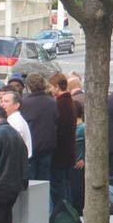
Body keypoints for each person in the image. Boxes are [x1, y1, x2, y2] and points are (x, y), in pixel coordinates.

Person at [21, 73, 58, 181]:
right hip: (47, 145)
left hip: (31, 146)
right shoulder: (52, 102)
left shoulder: (25, 103)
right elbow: (56, 121)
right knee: (44, 179)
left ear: (28, 86)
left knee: (31, 179)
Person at [48, 72, 76, 210]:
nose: (50, 89)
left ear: (57, 86)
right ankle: (68, 211)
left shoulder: (60, 103)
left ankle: (63, 213)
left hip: (60, 152)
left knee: (59, 188)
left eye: (51, 86)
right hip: (68, 151)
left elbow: (59, 129)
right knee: (65, 184)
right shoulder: (70, 101)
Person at [0, 91, 32, 158]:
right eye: (1, 101)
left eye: (6, 101)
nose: (2, 104)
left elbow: (11, 147)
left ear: (16, 105)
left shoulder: (15, 122)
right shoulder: (12, 119)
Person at [69, 101, 85, 214]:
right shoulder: (72, 127)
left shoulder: (83, 128)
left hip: (79, 166)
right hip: (71, 164)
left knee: (78, 190)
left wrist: (84, 159)